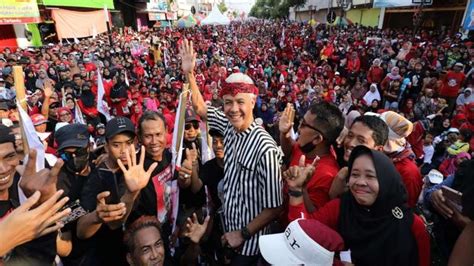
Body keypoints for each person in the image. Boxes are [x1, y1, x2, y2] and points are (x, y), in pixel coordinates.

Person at [181, 39, 283, 264]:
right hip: (228, 230)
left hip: (250, 244)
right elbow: (200, 108)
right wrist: (190, 74)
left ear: (253, 101)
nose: (233, 109)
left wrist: (243, 234)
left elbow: (275, 206)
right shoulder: (228, 125)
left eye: (240, 102)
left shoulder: (264, 147)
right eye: (228, 102)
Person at [286, 146, 430, 266]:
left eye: (370, 176)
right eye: (355, 174)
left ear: (387, 180)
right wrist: (296, 191)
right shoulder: (341, 207)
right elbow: (301, 234)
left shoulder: (411, 226)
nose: (360, 182)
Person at [77, 117, 157, 265]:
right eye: (116, 145)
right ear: (106, 147)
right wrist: (97, 216)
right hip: (112, 256)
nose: (124, 151)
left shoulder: (142, 164)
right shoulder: (97, 177)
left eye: (128, 143)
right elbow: (83, 231)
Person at [279, 101, 344, 218]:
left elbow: (312, 218)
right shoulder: (306, 147)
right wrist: (285, 133)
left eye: (303, 124)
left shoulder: (327, 176)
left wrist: (299, 189)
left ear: (317, 139)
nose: (298, 128)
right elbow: (290, 150)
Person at [54, 123, 94, 265]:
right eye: (67, 155)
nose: (75, 158)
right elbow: (65, 242)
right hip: (78, 257)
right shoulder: (56, 184)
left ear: (89, 147)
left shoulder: (101, 166)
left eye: (80, 152)